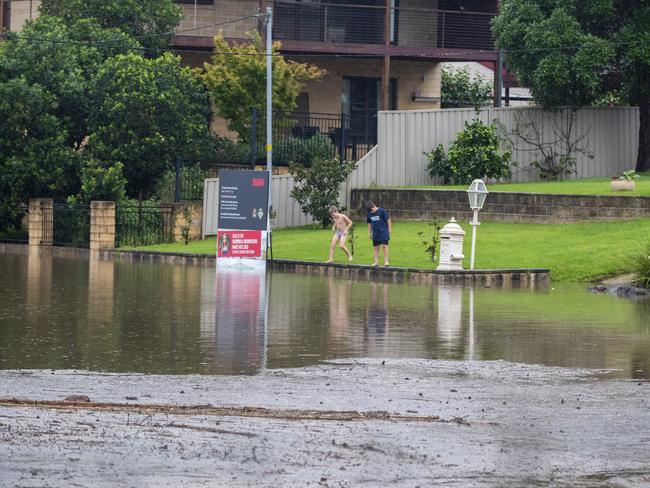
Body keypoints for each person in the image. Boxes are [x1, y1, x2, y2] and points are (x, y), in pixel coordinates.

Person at [366, 200, 392, 266]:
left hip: (384, 232)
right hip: (375, 233)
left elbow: (388, 220)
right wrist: (369, 232)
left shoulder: (382, 211)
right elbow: (369, 223)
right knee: (376, 248)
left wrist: (389, 230)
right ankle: (376, 262)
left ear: (374, 205)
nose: (372, 212)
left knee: (384, 246)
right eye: (371, 211)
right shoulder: (369, 213)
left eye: (372, 210)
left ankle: (386, 262)